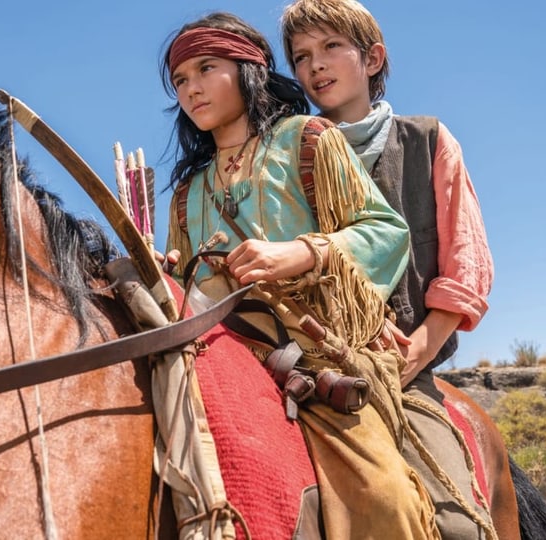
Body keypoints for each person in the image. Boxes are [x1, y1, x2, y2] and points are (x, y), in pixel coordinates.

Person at [160, 11, 440, 539]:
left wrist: (305, 252)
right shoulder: (186, 192)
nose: (191, 88)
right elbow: (182, 295)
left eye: (205, 68)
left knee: (384, 498)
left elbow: (386, 232)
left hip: (316, 352)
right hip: (217, 354)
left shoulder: (308, 139)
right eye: (180, 80)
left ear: (248, 70)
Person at [280, 1, 496, 538]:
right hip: (305, 361)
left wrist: (420, 348)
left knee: (458, 531)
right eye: (302, 56)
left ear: (372, 58)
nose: (316, 66)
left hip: (405, 371)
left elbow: (465, 264)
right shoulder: (284, 152)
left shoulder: (426, 140)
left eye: (332, 47)